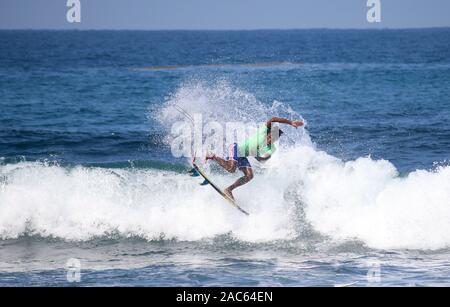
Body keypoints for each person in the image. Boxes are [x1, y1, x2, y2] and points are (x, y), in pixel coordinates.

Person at [206, 117, 304, 200]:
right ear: (268, 133)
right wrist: (290, 122)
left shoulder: (271, 148)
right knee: (231, 168)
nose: (271, 140)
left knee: (249, 175)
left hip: (243, 156)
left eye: (274, 139)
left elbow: (263, 159)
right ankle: (212, 156)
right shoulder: (262, 131)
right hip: (236, 148)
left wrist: (255, 154)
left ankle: (229, 190)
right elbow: (274, 119)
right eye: (270, 137)